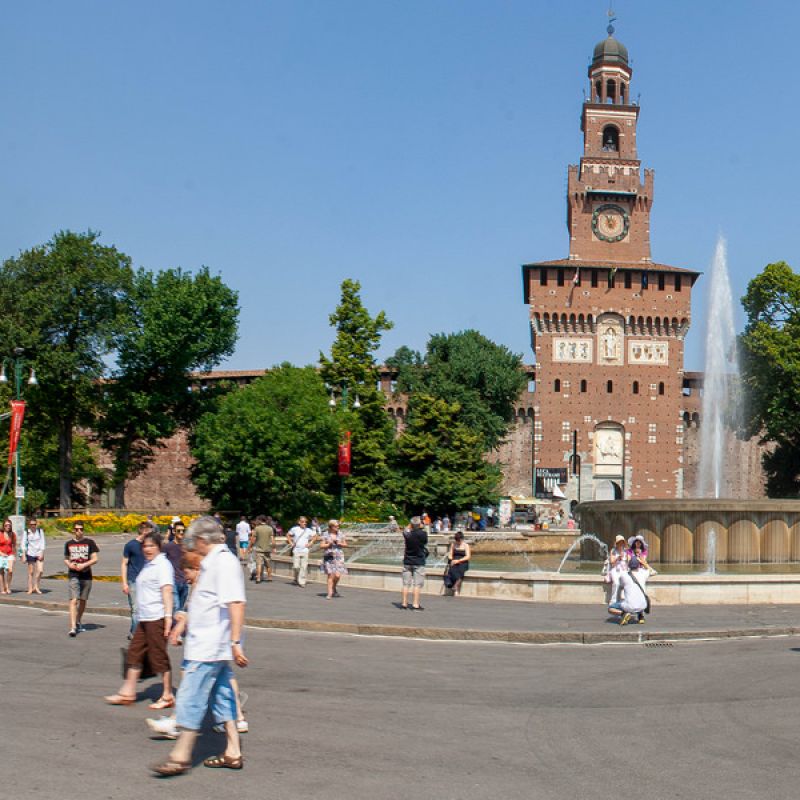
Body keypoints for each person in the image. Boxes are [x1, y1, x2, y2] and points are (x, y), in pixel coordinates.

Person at [150, 516, 247, 777]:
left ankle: (180, 756)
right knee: (223, 697)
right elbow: (205, 601)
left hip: (209, 647)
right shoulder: (212, 561)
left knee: (191, 698)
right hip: (210, 645)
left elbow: (236, 603)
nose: (191, 547)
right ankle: (233, 751)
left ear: (202, 540)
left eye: (193, 542)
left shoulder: (224, 562)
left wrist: (235, 642)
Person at [105, 531, 175, 708]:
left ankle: (167, 695)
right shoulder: (149, 564)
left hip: (157, 617)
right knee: (134, 653)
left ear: (159, 547)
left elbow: (167, 591)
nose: (147, 549)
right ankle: (128, 692)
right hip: (144, 618)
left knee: (158, 656)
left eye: (151, 546)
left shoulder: (163, 565)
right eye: (145, 546)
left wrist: (168, 618)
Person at [64, 522, 99, 637]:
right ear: (73, 530)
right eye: (77, 529)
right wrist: (69, 564)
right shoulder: (68, 543)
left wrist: (84, 565)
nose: (79, 531)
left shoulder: (89, 542)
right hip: (73, 574)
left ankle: (78, 619)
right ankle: (73, 627)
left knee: (83, 600)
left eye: (81, 529)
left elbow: (95, 559)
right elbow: (66, 558)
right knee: (74, 600)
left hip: (86, 574)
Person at [122, 522, 149, 639]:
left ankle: (138, 632)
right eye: (149, 531)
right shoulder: (130, 545)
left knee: (145, 608)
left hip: (147, 581)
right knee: (135, 608)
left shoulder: (149, 546)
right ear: (143, 531)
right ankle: (135, 634)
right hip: (133, 580)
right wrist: (124, 583)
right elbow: (124, 564)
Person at [401, 516, 427, 611]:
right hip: (419, 561)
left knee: (405, 584)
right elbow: (425, 542)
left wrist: (411, 525)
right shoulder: (423, 534)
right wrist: (420, 526)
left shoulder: (407, 534)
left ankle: (404, 603)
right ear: (419, 524)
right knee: (417, 584)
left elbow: (405, 529)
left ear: (411, 524)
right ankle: (415, 604)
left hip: (407, 561)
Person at [164, 521, 188, 617]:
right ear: (173, 532)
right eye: (179, 531)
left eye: (183, 531)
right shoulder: (168, 547)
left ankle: (175, 626)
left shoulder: (186, 547)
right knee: (176, 607)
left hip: (184, 581)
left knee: (181, 610)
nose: (181, 533)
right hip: (173, 581)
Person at [320, 519, 347, 599]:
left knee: (338, 575)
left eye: (338, 526)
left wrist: (340, 543)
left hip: (339, 557)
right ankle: (330, 593)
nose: (338, 527)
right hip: (329, 556)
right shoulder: (325, 534)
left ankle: (333, 587)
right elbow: (321, 546)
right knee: (330, 575)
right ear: (331, 527)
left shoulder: (340, 534)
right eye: (336, 526)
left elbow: (345, 544)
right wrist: (329, 544)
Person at [287, 516, 317, 588]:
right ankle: (296, 578)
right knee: (296, 566)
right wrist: (290, 542)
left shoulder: (308, 530)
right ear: (299, 522)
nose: (304, 523)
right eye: (303, 522)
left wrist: (311, 543)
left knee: (304, 567)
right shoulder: (295, 529)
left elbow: (315, 536)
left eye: (305, 522)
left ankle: (302, 582)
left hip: (305, 550)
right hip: (296, 550)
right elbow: (288, 535)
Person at [22, 516, 46, 594]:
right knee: (31, 572)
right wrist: (24, 555)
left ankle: (36, 586)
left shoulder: (40, 531)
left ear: (36, 524)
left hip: (39, 553)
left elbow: (43, 542)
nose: (33, 526)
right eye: (31, 524)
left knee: (40, 571)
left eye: (34, 524)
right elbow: (23, 543)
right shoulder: (26, 532)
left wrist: (42, 552)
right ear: (29, 525)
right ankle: (30, 588)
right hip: (30, 553)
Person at [250, 515, 274, 583]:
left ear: (260, 520)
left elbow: (253, 540)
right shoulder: (270, 528)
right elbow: (272, 539)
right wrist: (274, 547)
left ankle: (258, 578)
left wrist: (250, 546)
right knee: (268, 564)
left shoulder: (257, 528)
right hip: (267, 549)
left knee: (259, 564)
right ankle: (269, 577)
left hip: (259, 549)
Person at [445, 531, 471, 595]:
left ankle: (456, 586)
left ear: (462, 539)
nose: (458, 542)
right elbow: (450, 554)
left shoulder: (466, 545)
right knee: (452, 570)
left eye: (459, 541)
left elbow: (468, 556)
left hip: (463, 561)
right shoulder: (453, 544)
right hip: (454, 561)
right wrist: (451, 560)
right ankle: (454, 587)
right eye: (457, 540)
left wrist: (458, 561)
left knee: (460, 570)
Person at [608, 534, 630, 605]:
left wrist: (628, 558)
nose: (621, 544)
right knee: (616, 583)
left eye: (622, 542)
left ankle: (625, 599)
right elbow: (611, 562)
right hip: (615, 569)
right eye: (619, 542)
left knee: (627, 582)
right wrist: (617, 558)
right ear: (616, 543)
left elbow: (629, 561)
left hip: (624, 570)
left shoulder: (626, 551)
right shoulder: (613, 551)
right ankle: (613, 600)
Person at [0, 519, 16, 594]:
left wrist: (14, 555)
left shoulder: (13, 534)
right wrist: (1, 553)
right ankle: (2, 588)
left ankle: (8, 587)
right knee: (1, 572)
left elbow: (14, 545)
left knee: (10, 570)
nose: (8, 526)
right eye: (6, 525)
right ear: (3, 526)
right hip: (1, 554)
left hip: (10, 554)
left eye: (9, 525)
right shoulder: (0, 534)